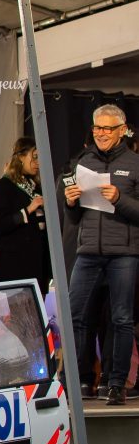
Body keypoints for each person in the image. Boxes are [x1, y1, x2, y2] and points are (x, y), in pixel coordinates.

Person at [63, 105, 139, 406]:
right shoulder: (84, 161)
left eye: (107, 129)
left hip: (124, 253)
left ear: (122, 130)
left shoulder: (134, 164)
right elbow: (74, 220)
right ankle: (78, 380)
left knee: (121, 318)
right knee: (75, 315)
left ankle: (116, 383)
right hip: (88, 251)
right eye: (97, 128)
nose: (101, 134)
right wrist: (71, 203)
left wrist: (120, 198)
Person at [0, 137, 51, 294]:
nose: (38, 163)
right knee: (21, 317)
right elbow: (0, 224)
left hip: (39, 266)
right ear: (21, 156)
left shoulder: (37, 186)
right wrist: (28, 209)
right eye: (34, 157)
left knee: (38, 315)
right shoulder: (2, 187)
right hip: (15, 268)